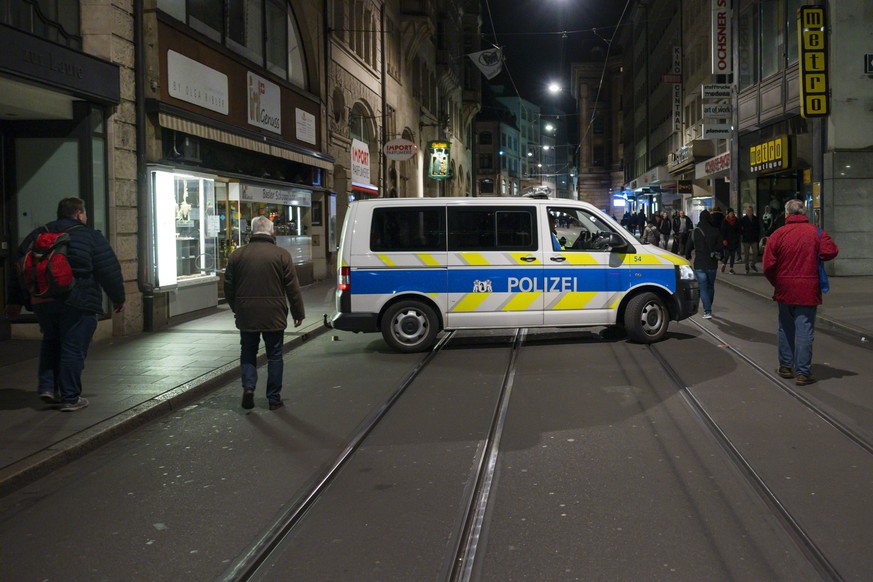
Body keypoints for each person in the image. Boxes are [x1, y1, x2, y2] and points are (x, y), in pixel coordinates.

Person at [5, 197, 125, 411]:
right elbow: (108, 269)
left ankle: (47, 388)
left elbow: (19, 268)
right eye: (85, 213)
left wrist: (15, 301)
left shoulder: (38, 234)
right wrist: (118, 297)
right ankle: (70, 398)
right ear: (79, 213)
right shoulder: (89, 235)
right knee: (73, 347)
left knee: (51, 341)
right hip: (78, 299)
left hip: (43, 299)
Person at [224, 215, 305, 410]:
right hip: (274, 314)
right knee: (275, 356)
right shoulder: (281, 255)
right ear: (272, 232)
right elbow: (292, 287)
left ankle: (249, 387)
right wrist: (298, 313)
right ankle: (273, 398)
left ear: (251, 232)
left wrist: (237, 307)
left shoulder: (237, 255)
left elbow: (228, 286)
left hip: (247, 314)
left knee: (248, 352)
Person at [762, 199, 838, 386]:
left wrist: (777, 282)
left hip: (785, 289)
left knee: (785, 327)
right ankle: (803, 372)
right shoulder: (816, 232)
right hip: (808, 289)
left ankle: (786, 366)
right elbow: (831, 251)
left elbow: (768, 266)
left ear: (787, 214)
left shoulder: (778, 234)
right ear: (804, 213)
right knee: (804, 330)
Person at [685, 209, 721, 319]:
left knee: (703, 287)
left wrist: (688, 256)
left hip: (700, 264)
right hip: (712, 263)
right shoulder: (716, 231)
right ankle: (708, 306)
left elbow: (688, 247)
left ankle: (707, 310)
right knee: (710, 286)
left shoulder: (695, 232)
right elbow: (720, 248)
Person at [739, 206, 762, 274]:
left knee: (755, 252)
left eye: (750, 210)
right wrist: (743, 233)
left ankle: (752, 264)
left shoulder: (755, 219)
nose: (749, 212)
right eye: (748, 211)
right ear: (746, 211)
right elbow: (740, 229)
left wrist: (757, 235)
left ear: (752, 211)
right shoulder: (743, 219)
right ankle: (747, 268)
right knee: (746, 255)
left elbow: (758, 228)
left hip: (754, 238)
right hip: (746, 239)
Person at [720, 208, 741, 274]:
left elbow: (738, 230)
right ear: (728, 214)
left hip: (734, 241)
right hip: (727, 241)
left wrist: (737, 237)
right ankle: (724, 264)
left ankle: (731, 268)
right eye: (730, 213)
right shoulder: (725, 221)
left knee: (732, 255)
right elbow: (723, 231)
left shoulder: (736, 220)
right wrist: (723, 239)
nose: (731, 214)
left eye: (732, 213)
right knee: (727, 255)